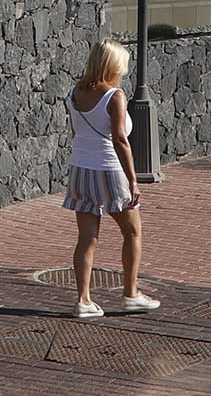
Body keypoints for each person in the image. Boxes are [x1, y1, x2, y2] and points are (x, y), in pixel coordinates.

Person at [62, 41, 159, 319]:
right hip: (109, 170)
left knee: (87, 238)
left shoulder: (74, 93)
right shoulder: (115, 96)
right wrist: (133, 180)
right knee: (132, 232)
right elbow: (120, 140)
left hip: (80, 169)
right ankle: (130, 293)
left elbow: (76, 131)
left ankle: (83, 300)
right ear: (114, 65)